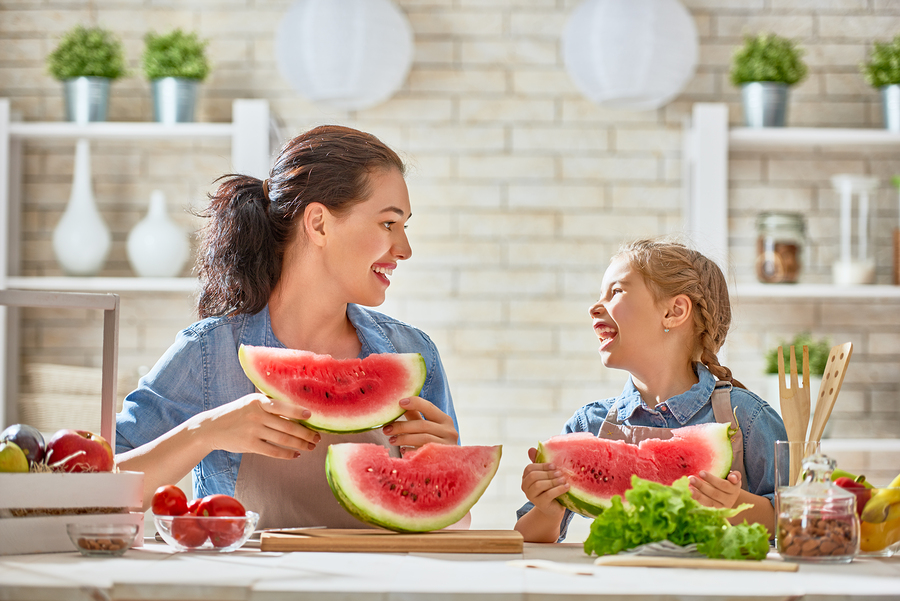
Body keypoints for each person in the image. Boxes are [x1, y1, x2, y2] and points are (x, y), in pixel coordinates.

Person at [116, 125, 460, 529]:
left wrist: (445, 470)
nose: (404, 249)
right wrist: (202, 432)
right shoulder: (211, 354)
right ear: (318, 224)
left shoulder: (415, 354)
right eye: (388, 224)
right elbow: (97, 492)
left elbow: (455, 526)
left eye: (405, 227)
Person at [515, 238, 787, 543]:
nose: (594, 307)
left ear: (674, 311)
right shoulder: (590, 425)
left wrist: (736, 506)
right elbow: (526, 538)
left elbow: (797, 519)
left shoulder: (746, 419)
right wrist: (547, 509)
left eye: (615, 291)